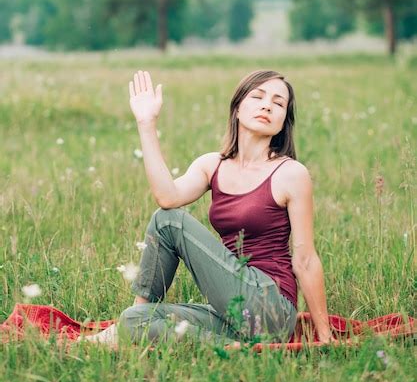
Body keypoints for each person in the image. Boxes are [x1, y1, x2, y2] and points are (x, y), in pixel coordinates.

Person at [82, 68, 334, 348]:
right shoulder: (212, 164)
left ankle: (123, 335)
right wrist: (146, 124)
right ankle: (226, 347)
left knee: (171, 221)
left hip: (269, 306)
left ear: (283, 120)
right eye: (258, 96)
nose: (267, 105)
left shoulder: (291, 173)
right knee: (136, 319)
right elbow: (167, 197)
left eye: (278, 103)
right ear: (237, 108)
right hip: (233, 309)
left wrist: (324, 336)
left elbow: (306, 260)